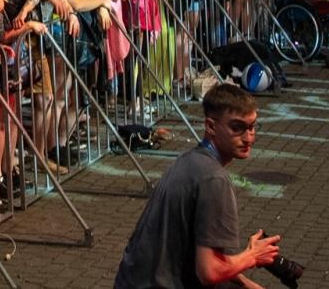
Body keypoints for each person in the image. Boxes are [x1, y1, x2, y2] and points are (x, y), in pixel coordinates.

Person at [113, 82, 282, 288]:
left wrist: (248, 285)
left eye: (252, 127)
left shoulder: (189, 160)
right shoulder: (214, 179)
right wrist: (252, 256)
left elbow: (204, 255)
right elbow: (210, 272)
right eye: (237, 128)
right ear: (211, 126)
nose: (249, 137)